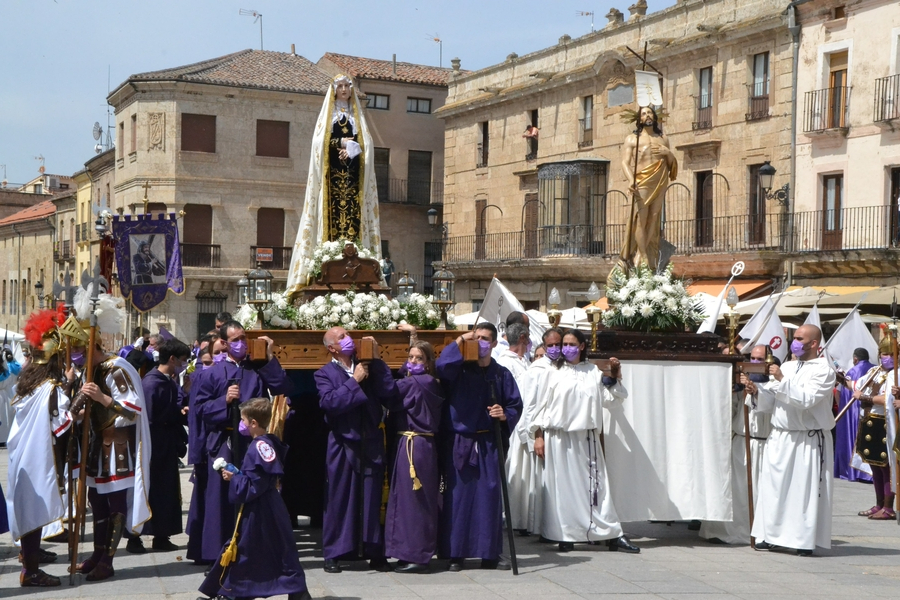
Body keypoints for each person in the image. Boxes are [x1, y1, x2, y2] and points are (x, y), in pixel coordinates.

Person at [526, 329, 639, 553]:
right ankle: (565, 534)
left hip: (585, 437)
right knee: (562, 489)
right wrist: (537, 436)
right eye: (563, 344)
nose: (565, 348)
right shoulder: (550, 372)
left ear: (581, 346)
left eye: (570, 343)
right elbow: (536, 405)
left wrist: (614, 375)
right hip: (557, 437)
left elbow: (610, 399)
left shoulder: (592, 372)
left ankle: (611, 534)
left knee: (595, 488)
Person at [192, 321, 292, 565]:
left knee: (252, 492)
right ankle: (219, 554)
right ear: (224, 343)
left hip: (250, 441)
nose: (241, 343)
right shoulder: (212, 373)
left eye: (244, 338)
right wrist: (223, 402)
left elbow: (281, 388)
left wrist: (269, 358)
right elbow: (200, 409)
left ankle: (251, 548)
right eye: (235, 339)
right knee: (221, 498)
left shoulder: (255, 369)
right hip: (223, 441)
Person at [199, 398, 309, 600]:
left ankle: (293, 592)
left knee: (249, 550)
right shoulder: (264, 442)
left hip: (261, 509)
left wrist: (235, 479)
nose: (241, 423)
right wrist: (238, 474)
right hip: (266, 507)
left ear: (253, 423)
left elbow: (256, 485)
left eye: (243, 420)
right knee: (265, 550)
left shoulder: (259, 446)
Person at [435, 323, 522, 571]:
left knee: (490, 496)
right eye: (477, 338)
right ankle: (455, 554)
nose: (481, 342)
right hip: (460, 443)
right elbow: (441, 366)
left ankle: (489, 554)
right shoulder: (459, 370)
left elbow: (515, 404)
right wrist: (461, 339)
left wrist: (503, 413)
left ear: (494, 343)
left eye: (485, 338)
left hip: (488, 442)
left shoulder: (502, 373)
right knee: (458, 498)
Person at [744, 324, 835, 556]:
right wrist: (757, 391)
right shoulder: (788, 365)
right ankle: (768, 535)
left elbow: (806, 399)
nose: (794, 342)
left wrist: (782, 378)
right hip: (780, 436)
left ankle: (802, 540)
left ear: (814, 343)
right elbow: (773, 397)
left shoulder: (824, 370)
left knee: (802, 492)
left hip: (806, 439)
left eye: (799, 338)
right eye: (794, 337)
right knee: (774, 489)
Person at [287, 74, 382, 293]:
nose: (344, 89)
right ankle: (327, 261)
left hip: (352, 179)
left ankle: (358, 262)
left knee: (352, 216)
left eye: (347, 86)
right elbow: (318, 143)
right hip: (331, 179)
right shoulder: (327, 116)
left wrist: (352, 149)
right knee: (329, 218)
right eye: (340, 86)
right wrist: (339, 143)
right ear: (334, 89)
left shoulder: (357, 117)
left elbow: (366, 143)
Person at [74, 319, 152, 580]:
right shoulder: (92, 370)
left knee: (115, 502)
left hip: (117, 444)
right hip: (98, 443)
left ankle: (107, 560)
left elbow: (132, 409)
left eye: (82, 354)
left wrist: (101, 398)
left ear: (93, 349)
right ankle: (97, 554)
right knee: (96, 500)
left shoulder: (115, 368)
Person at [315, 327, 395, 573]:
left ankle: (374, 551)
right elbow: (330, 403)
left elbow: (389, 393)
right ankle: (335, 552)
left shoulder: (368, 365)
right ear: (332, 348)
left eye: (348, 335)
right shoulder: (324, 373)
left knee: (371, 499)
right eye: (341, 337)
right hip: (342, 442)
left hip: (369, 440)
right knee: (339, 498)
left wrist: (378, 359)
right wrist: (354, 381)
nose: (348, 339)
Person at [6, 309, 74, 587]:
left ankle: (29, 561)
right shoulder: (52, 387)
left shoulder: (27, 383)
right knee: (33, 509)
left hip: (21, 455)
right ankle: (31, 571)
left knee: (26, 508)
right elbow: (61, 425)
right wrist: (76, 399)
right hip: (40, 455)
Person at [383, 329, 444, 573]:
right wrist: (413, 341)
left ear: (429, 363)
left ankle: (418, 555)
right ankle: (406, 550)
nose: (413, 362)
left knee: (414, 501)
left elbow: (390, 392)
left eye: (420, 358)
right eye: (411, 358)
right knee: (405, 499)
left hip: (414, 447)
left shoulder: (419, 383)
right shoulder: (427, 382)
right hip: (416, 445)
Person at [701, 344, 775, 544]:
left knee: (760, 491)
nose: (756, 363)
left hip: (764, 444)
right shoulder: (740, 382)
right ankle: (724, 531)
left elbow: (770, 406)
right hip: (741, 441)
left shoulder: (775, 384)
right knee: (736, 489)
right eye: (753, 358)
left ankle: (759, 532)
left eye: (761, 359)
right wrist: (736, 392)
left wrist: (756, 391)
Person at [142, 338, 191, 550]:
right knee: (152, 491)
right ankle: (139, 535)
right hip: (155, 445)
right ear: (171, 359)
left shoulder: (167, 381)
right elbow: (151, 416)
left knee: (166, 492)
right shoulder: (152, 383)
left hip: (166, 444)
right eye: (181, 360)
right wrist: (175, 415)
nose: (182, 365)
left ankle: (162, 535)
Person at [619, 105, 677, 271]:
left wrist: (668, 153)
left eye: (650, 112)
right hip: (642, 181)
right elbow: (625, 162)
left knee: (653, 217)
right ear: (639, 119)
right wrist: (631, 180)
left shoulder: (663, 138)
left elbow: (672, 164)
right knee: (641, 219)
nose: (647, 115)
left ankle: (647, 253)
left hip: (660, 181)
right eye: (643, 113)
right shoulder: (632, 139)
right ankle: (642, 254)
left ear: (654, 116)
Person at [496, 322, 535, 535]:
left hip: (525, 419)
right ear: (522, 338)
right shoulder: (505, 362)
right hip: (514, 422)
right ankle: (512, 517)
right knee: (514, 470)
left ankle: (523, 517)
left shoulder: (524, 361)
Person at [852, 337, 896, 520]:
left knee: (887, 467)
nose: (887, 358)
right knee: (875, 466)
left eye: (891, 354)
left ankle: (888, 507)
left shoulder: (898, 373)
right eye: (885, 354)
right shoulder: (874, 371)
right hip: (870, 421)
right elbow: (856, 387)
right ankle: (878, 504)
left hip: (887, 422)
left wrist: (865, 398)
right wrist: (840, 378)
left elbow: (887, 398)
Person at [834, 348, 875, 482]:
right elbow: (855, 386)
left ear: (855, 358)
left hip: (856, 413)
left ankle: (854, 472)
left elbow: (843, 393)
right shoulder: (875, 370)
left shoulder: (853, 371)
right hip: (871, 412)